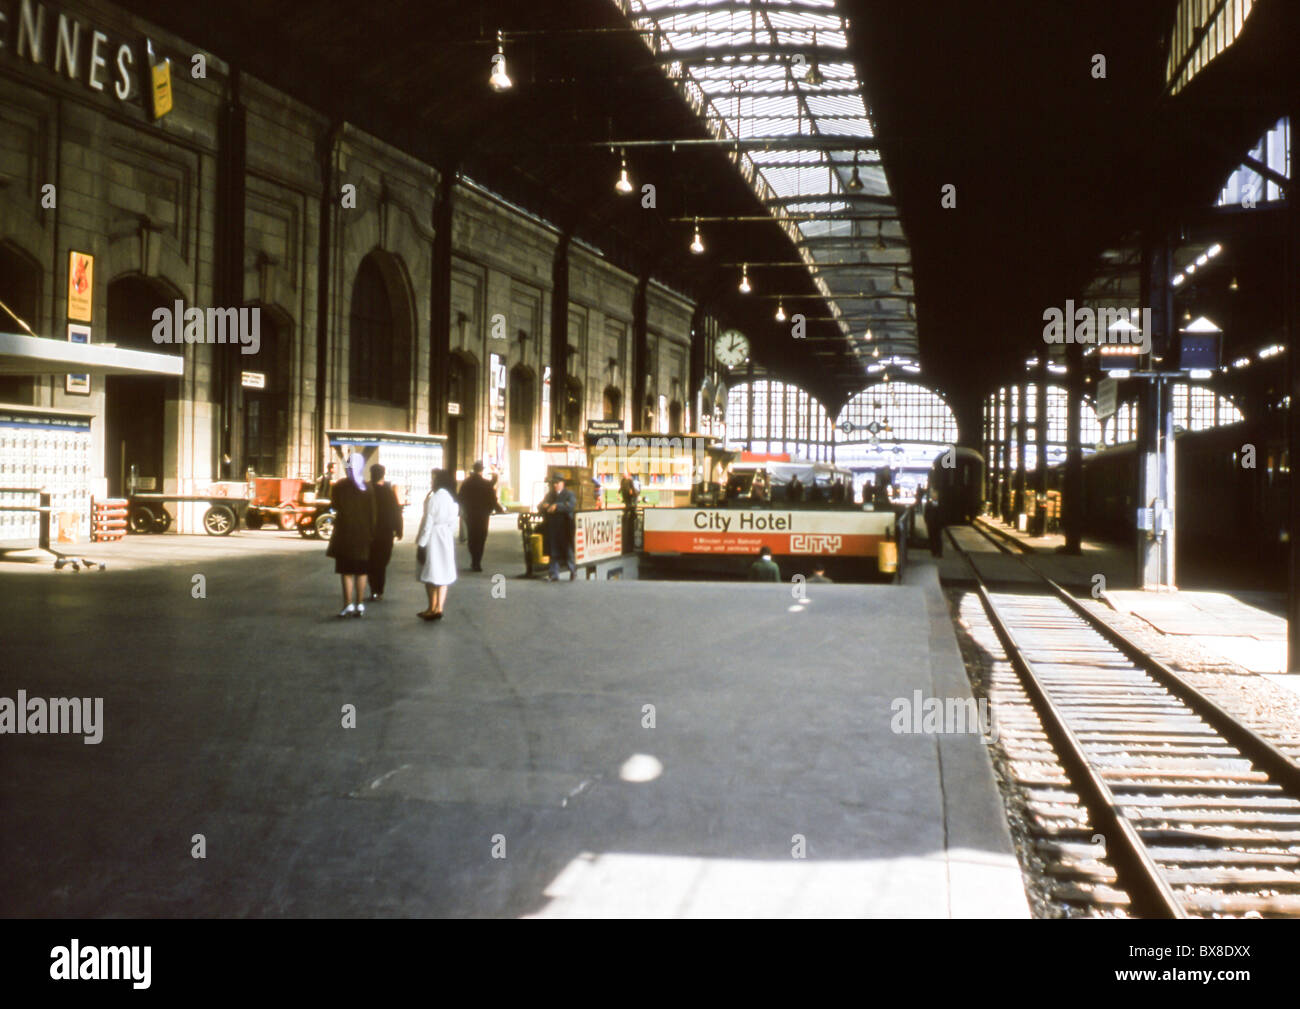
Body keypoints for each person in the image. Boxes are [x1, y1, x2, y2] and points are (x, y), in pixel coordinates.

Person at [327, 453, 376, 618]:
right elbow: (373, 514)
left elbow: (334, 505)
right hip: (363, 536)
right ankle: (360, 604)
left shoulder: (340, 486)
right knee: (361, 572)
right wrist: (371, 533)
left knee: (346, 572)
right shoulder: (368, 488)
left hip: (344, 535)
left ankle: (348, 604)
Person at [416, 469, 459, 620]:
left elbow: (428, 523)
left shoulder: (434, 498)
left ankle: (431, 607)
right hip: (446, 536)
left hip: (433, 536)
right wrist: (448, 534)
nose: (431, 482)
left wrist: (422, 543)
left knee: (430, 572)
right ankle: (439, 607)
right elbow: (454, 523)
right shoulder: (452, 499)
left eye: (433, 479)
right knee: (444, 573)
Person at [367, 464, 402, 600]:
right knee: (381, 563)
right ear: (383, 475)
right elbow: (396, 511)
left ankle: (373, 589)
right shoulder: (388, 492)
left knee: (370, 561)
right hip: (385, 533)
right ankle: (379, 590)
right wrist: (398, 530)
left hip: (369, 532)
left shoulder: (366, 490)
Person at [457, 460, 500, 572]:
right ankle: (477, 562)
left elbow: (460, 498)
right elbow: (493, 499)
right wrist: (491, 510)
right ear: (482, 470)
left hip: (470, 514)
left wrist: (465, 509)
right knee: (481, 538)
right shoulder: (486, 484)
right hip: (483, 515)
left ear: (474, 469)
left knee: (472, 537)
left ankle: (473, 560)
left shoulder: (466, 483)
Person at [541, 473, 577, 581]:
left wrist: (557, 506)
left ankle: (572, 571)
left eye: (557, 483)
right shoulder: (550, 495)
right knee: (553, 550)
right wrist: (544, 506)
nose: (555, 485)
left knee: (568, 550)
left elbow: (570, 506)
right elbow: (541, 505)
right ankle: (554, 573)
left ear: (562, 483)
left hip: (565, 526)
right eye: (553, 483)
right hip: (553, 526)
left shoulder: (569, 494)